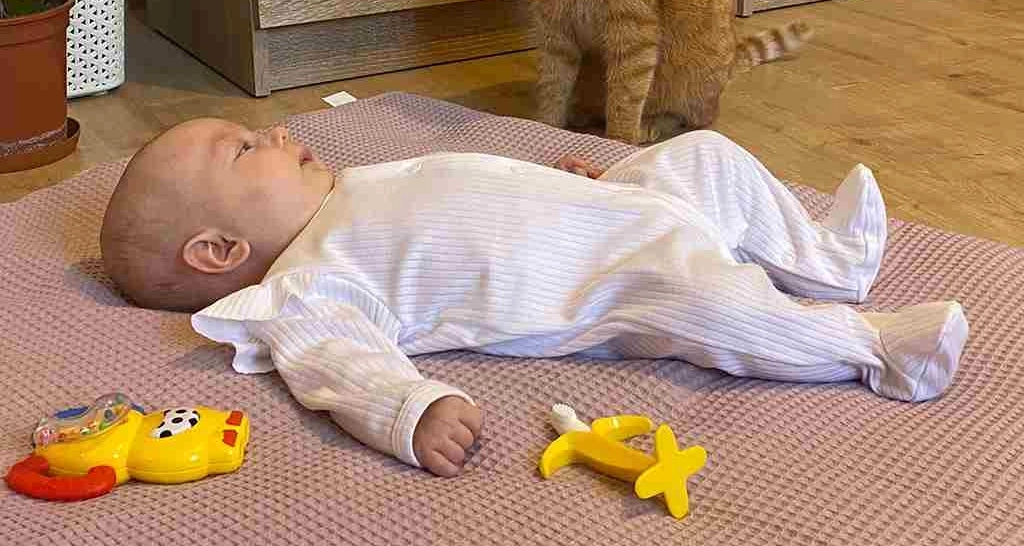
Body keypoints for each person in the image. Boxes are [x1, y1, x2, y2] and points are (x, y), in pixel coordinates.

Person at [100, 119, 969, 478]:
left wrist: (583, 189)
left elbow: (487, 191)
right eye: (245, 148)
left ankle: (832, 259)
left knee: (703, 152)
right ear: (219, 251)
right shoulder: (308, 283)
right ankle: (876, 347)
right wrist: (408, 407)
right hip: (616, 279)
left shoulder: (355, 182)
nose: (279, 131)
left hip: (617, 206)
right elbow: (339, 365)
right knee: (719, 308)